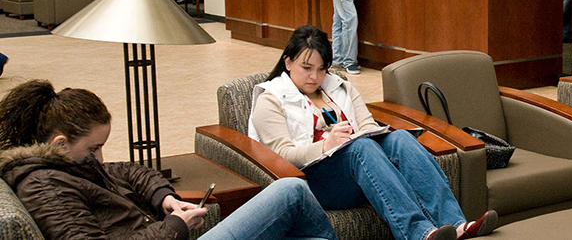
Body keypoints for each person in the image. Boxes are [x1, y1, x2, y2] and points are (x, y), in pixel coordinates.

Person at [0, 80, 338, 240]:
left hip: (162, 230)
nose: (100, 158)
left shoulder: (66, 165)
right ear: (59, 142)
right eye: (94, 148)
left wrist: (166, 199)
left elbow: (131, 171)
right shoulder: (45, 185)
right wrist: (175, 226)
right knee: (290, 191)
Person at [248, 25, 497, 240]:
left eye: (322, 68)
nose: (315, 76)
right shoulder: (270, 98)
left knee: (398, 137)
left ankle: (455, 225)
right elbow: (281, 155)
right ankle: (418, 233)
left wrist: (369, 138)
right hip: (311, 181)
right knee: (360, 148)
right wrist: (325, 146)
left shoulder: (339, 88)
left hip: (356, 169)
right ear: (288, 62)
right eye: (306, 67)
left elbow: (367, 126)